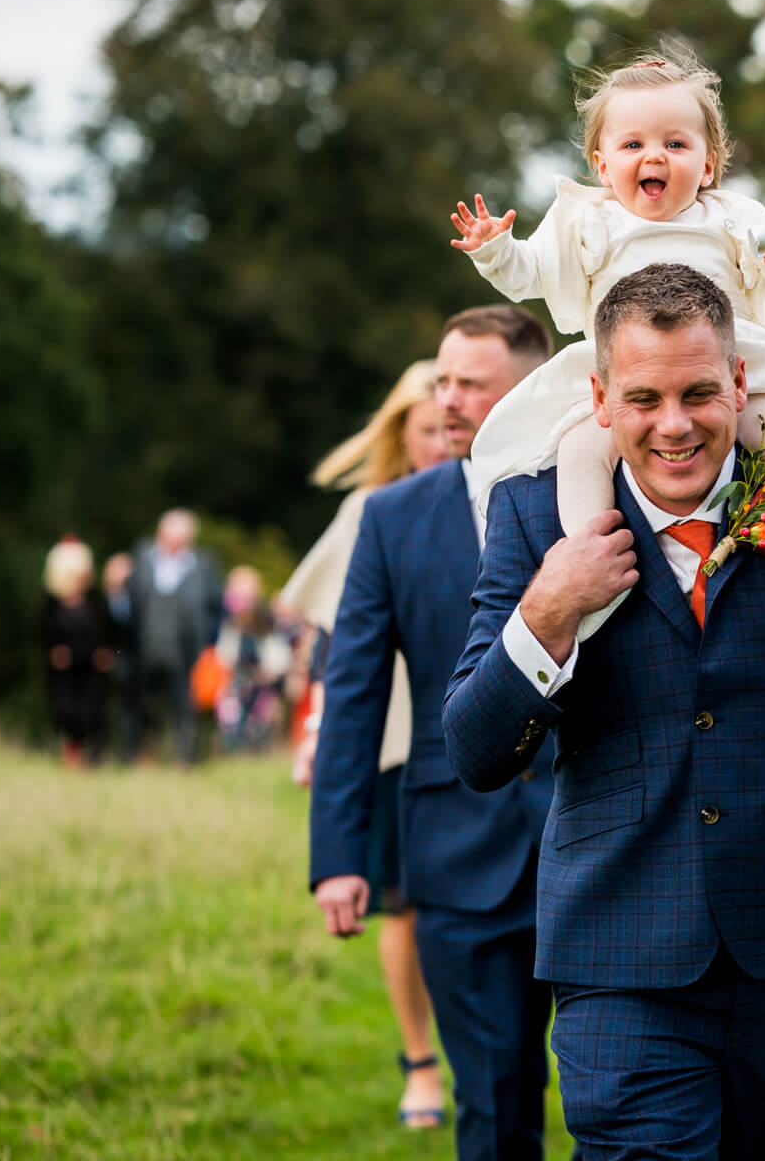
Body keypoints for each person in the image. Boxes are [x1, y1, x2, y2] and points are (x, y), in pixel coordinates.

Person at [442, 263, 765, 1160]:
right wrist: (548, 612)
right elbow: (475, 749)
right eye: (644, 398)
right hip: (619, 938)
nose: (675, 424)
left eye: (697, 392)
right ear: (602, 399)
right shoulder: (537, 512)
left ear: (738, 382)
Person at [448, 47, 765, 633]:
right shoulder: (588, 220)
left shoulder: (730, 215)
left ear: (707, 166)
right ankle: (592, 570)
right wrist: (494, 249)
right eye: (633, 145)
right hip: (624, 374)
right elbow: (530, 271)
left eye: (675, 145)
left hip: (730, 363)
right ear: (602, 166)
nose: (654, 155)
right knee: (581, 448)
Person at [308, 305, 564, 1161]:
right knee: (493, 1108)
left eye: (469, 384)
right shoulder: (390, 518)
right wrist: (340, 853)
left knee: (624, 1101)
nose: (446, 399)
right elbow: (352, 694)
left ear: (526, 391)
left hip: (601, 844)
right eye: (442, 380)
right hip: (455, 851)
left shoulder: (597, 492)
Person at [279, 358, 452, 1131]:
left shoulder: (506, 497)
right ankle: (420, 1060)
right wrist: (321, 732)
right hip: (396, 739)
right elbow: (332, 643)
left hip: (482, 728)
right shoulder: (371, 513)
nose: (442, 441)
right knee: (405, 908)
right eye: (425, 429)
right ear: (402, 434)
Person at [116, 509, 223, 766]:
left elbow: (215, 608)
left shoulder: (204, 566)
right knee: (141, 707)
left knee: (185, 709)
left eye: (181, 539)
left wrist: (208, 644)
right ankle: (141, 757)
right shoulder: (141, 561)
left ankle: (184, 760)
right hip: (143, 649)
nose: (175, 544)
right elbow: (126, 606)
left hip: (187, 653)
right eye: (170, 537)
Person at [39, 536, 116, 768]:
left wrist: (109, 653)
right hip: (63, 671)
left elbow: (112, 632)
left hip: (92, 668)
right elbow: (39, 635)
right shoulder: (50, 605)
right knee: (66, 712)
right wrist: (53, 652)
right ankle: (72, 753)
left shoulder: (96, 601)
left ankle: (94, 759)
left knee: (93, 713)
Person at [212, 565, 295, 752]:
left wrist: (269, 671)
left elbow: (279, 654)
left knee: (259, 728)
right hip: (237, 684)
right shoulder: (229, 622)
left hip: (262, 686)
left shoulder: (266, 621)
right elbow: (223, 654)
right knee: (232, 725)